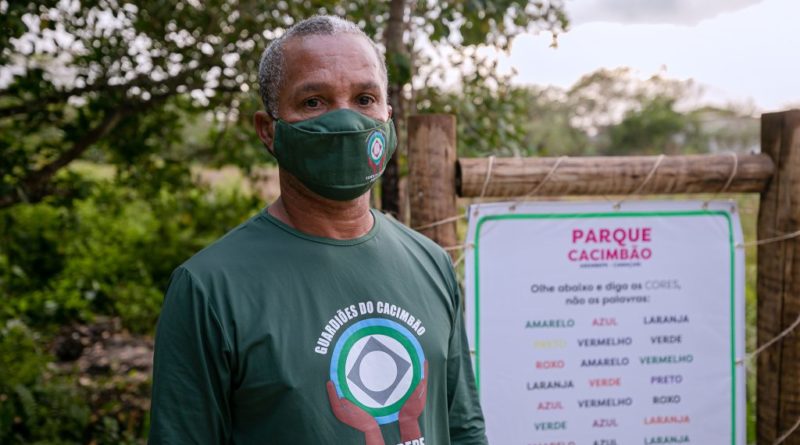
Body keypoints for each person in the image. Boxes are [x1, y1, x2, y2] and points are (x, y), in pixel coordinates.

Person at [148, 15, 487, 445]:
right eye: (313, 102)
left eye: (364, 98)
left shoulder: (431, 264)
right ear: (268, 131)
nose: (346, 121)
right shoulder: (209, 289)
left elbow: (464, 429)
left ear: (388, 114)